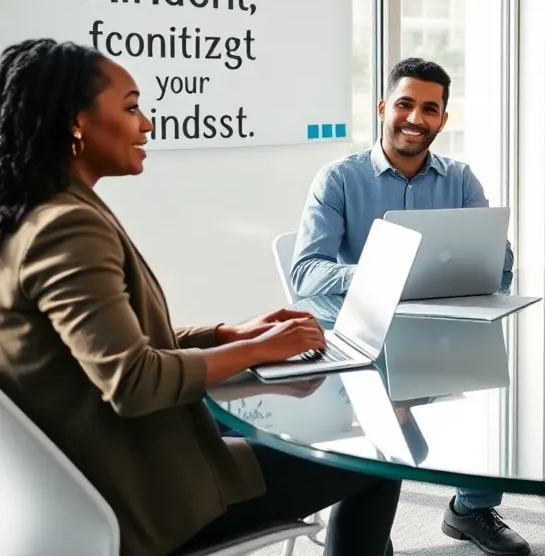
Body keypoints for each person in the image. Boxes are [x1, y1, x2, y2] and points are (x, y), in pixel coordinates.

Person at [0, 39, 402, 556]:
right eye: (130, 108)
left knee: (286, 434)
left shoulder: (28, 214)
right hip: (149, 495)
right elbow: (134, 380)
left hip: (98, 470)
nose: (146, 124)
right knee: (379, 460)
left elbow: (109, 345)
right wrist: (257, 351)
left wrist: (224, 335)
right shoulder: (67, 227)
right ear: (75, 122)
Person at [290, 56, 527, 556]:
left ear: (442, 118)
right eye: (404, 104)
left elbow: (500, 269)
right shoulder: (338, 179)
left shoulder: (461, 180)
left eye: (429, 109)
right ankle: (368, 526)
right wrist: (387, 273)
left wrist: (490, 253)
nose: (415, 119)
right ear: (383, 107)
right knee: (397, 431)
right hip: (367, 337)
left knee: (497, 396)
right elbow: (306, 274)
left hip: (446, 329)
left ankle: (472, 508)